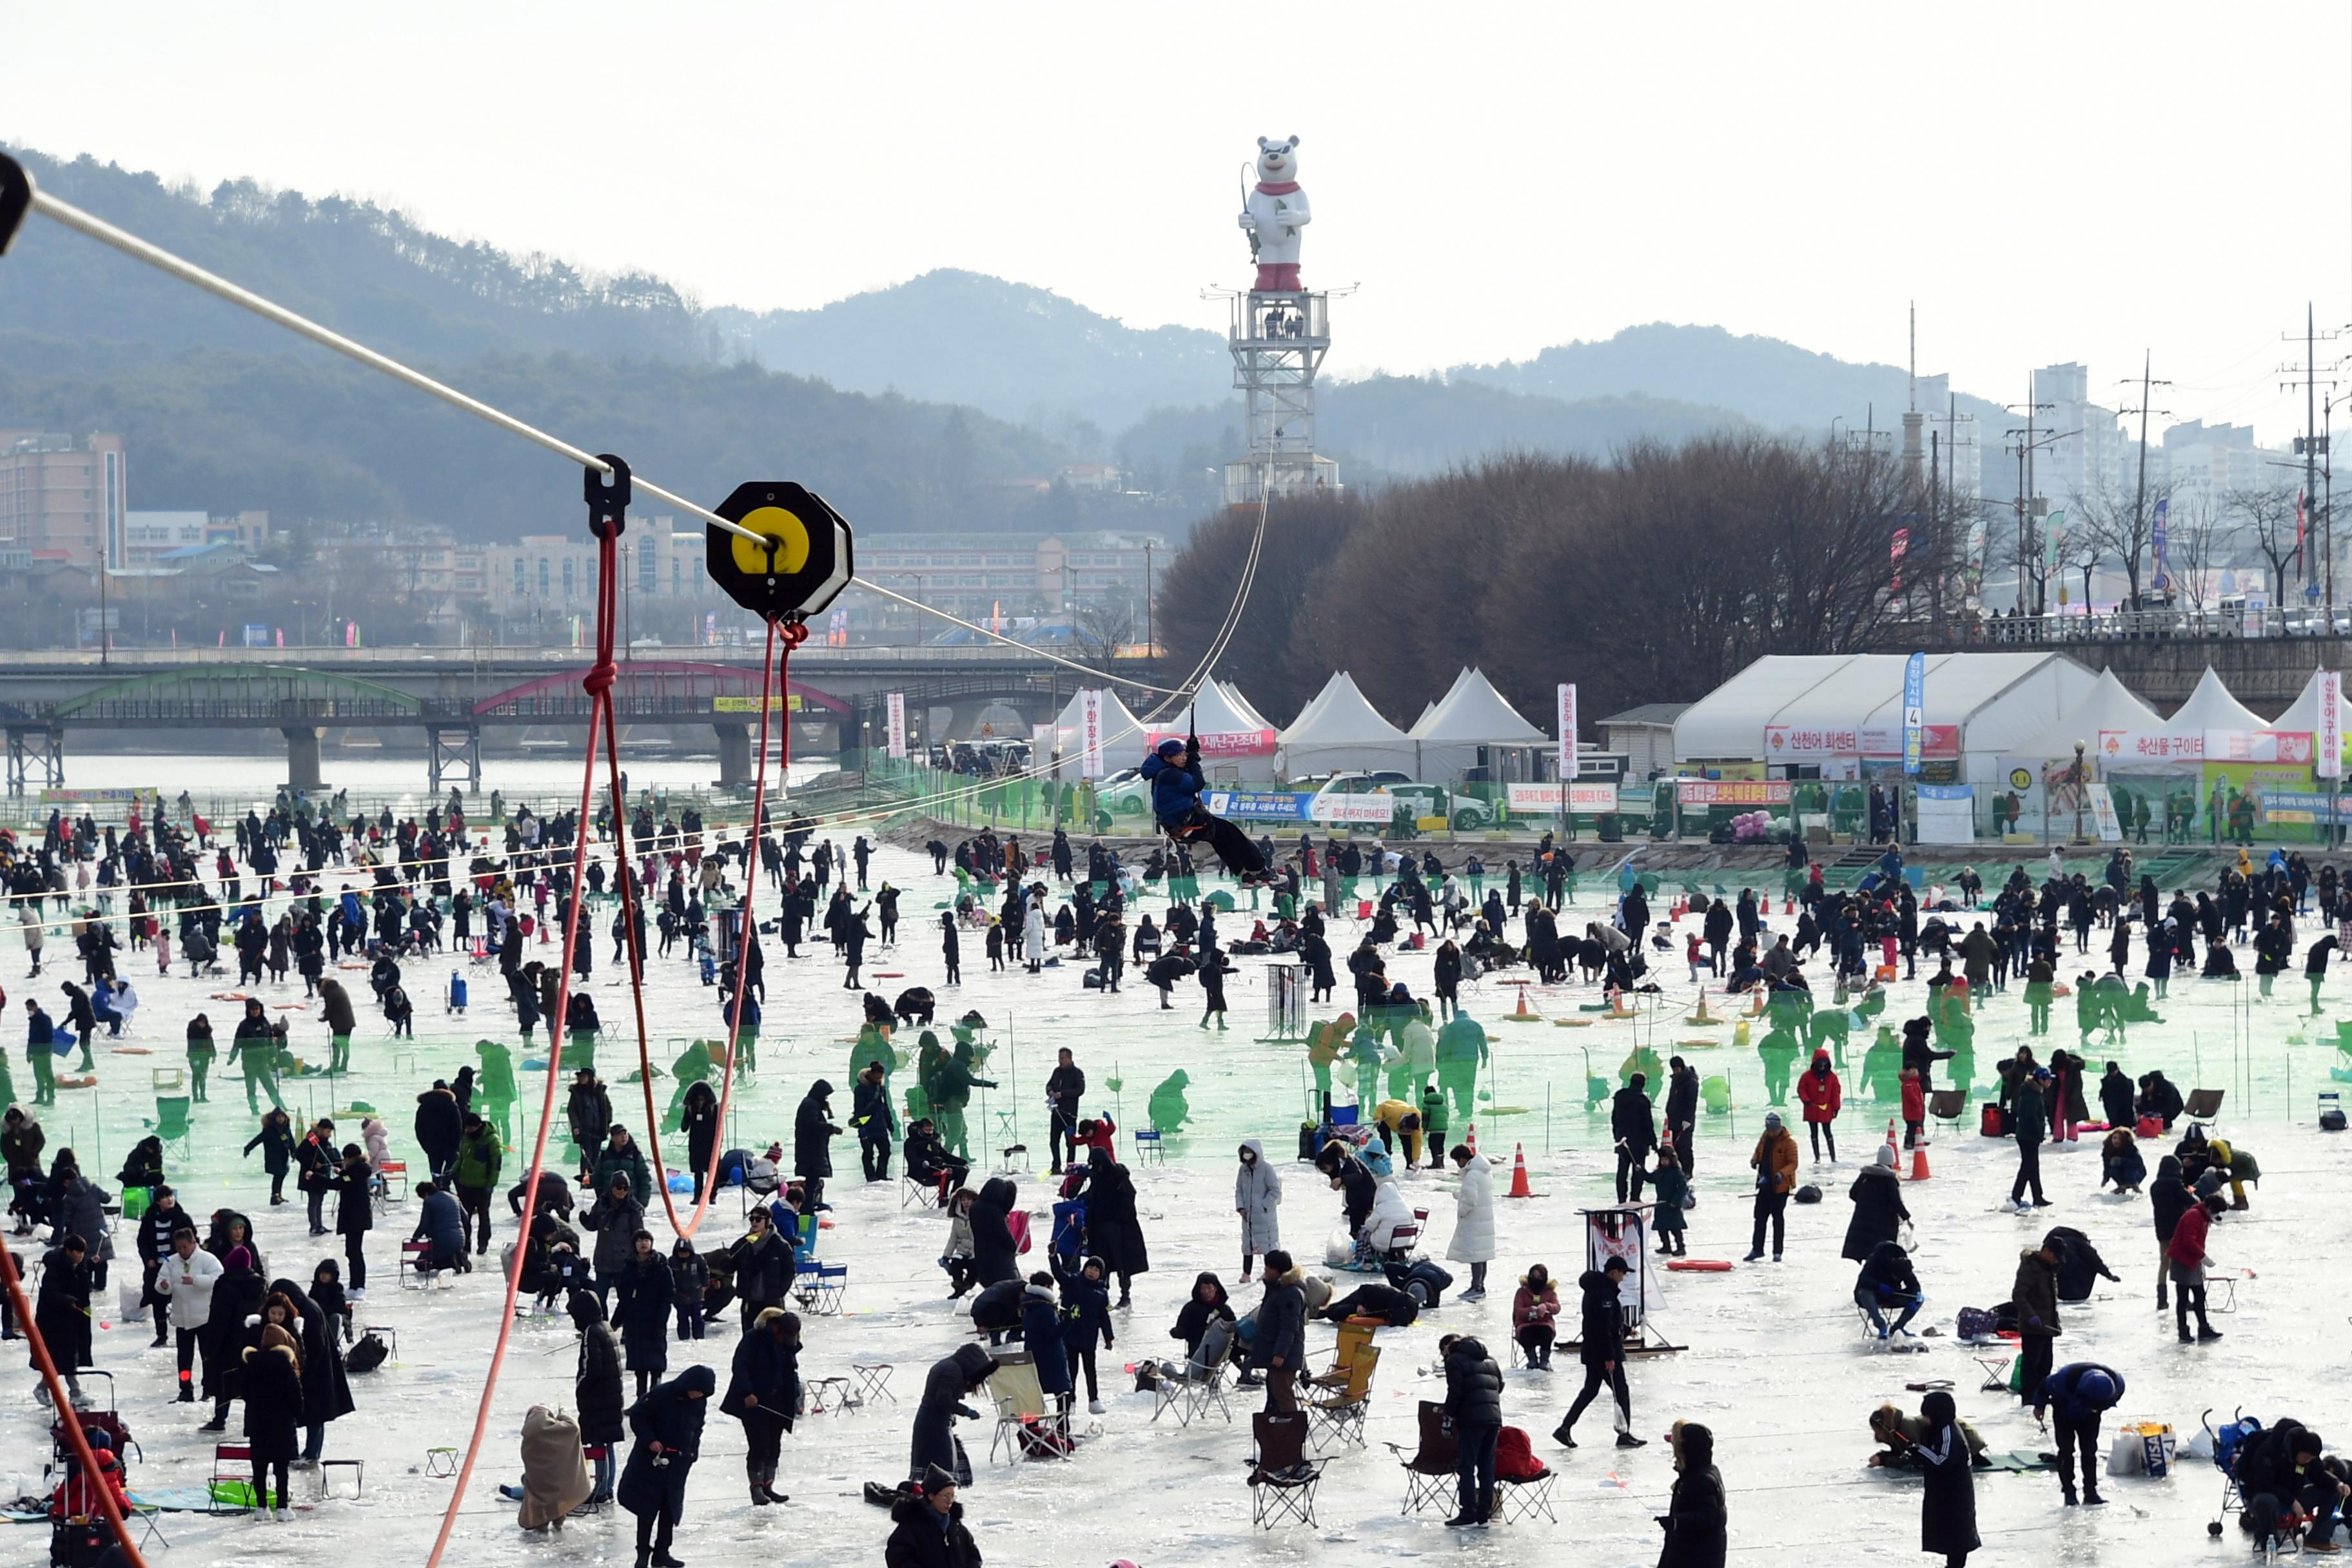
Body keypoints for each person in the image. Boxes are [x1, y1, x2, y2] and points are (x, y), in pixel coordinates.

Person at [619, 1364, 715, 1568]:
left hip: (679, 1462)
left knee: (669, 1509)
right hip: (650, 1461)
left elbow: (697, 1428)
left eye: (703, 1394)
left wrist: (691, 1453)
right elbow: (638, 1416)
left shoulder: (699, 1401)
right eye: (697, 1390)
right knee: (647, 1508)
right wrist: (650, 1440)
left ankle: (662, 1552)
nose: (698, 1395)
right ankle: (643, 1553)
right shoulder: (661, 1394)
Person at [1139, 735, 1271, 881]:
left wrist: (1192, 755)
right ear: (1167, 758)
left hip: (1178, 826)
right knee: (1233, 834)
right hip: (1188, 822)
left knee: (1219, 839)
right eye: (1179, 755)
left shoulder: (1163, 773)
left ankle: (1244, 874)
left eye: (1185, 754)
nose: (1184, 758)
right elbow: (1197, 783)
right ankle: (1260, 870)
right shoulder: (1171, 775)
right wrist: (1194, 759)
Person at [1554, 1255, 1642, 1449]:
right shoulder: (1604, 1294)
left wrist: (1626, 1329)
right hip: (1602, 1353)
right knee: (1621, 1392)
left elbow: (1605, 1321)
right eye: (1623, 1273)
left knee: (1590, 1391)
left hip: (1593, 1351)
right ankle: (1624, 1434)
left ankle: (1564, 1429)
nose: (1624, 1277)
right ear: (1614, 1272)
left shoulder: (1598, 1290)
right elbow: (1602, 1328)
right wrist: (1609, 1357)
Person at [721, 1306, 801, 1507]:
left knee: (774, 1445)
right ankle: (756, 1487)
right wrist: (747, 1392)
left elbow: (792, 1370)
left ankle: (768, 1485)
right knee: (760, 1444)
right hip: (755, 1402)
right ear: (776, 1329)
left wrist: (796, 1396)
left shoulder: (787, 1343)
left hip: (779, 1401)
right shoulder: (754, 1338)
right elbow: (740, 1365)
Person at [1901, 1389, 1980, 1567]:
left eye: (1927, 1417)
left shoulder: (1949, 1434)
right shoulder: (1943, 1431)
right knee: (1953, 1537)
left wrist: (1919, 1450)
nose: (1926, 1421)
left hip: (1954, 1497)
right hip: (1951, 1496)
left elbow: (1940, 1461)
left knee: (1957, 1538)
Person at [2034, 1362, 2124, 1507]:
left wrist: (2097, 1408)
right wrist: (2039, 1406)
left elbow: (2117, 1396)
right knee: (2066, 1450)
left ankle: (2091, 1492)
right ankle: (2069, 1492)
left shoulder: (2117, 1382)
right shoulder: (2063, 1380)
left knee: (2089, 1451)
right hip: (2064, 1414)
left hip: (2090, 1417)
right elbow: (2043, 1387)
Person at [242, 1322, 307, 1522]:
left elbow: (244, 1393)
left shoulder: (251, 1364)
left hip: (257, 1423)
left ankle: (261, 1508)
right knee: (281, 1469)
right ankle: (282, 1507)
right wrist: (296, 1413)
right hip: (281, 1425)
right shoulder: (285, 1366)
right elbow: (296, 1398)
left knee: (259, 1467)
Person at [1439, 1331, 1504, 1528]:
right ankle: (1484, 1515)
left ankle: (1468, 1512)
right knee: (1486, 1468)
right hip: (1493, 1418)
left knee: (1466, 1467)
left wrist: (1448, 1417)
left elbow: (1455, 1391)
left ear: (1448, 1348)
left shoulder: (1455, 1361)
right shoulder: (1491, 1361)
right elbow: (1499, 1386)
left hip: (1471, 1420)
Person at [155, 1224, 220, 1403]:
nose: (182, 1251)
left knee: (207, 1355)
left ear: (193, 1243)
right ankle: (185, 1390)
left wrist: (195, 1281)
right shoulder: (171, 1262)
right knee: (184, 1359)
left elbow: (218, 1279)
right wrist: (163, 1286)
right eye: (178, 1248)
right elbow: (160, 1282)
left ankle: (208, 1388)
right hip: (182, 1318)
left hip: (204, 1317)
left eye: (185, 1246)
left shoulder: (208, 1260)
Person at [1077, 1146, 1148, 1306]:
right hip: (1099, 1227)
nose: (1098, 1168)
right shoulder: (1097, 1176)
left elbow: (1129, 1197)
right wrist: (1087, 1223)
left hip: (1119, 1229)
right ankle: (1102, 1295)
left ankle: (1125, 1296)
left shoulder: (1119, 1176)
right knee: (1102, 1263)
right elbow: (1093, 1201)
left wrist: (1120, 1219)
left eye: (1099, 1165)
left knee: (1122, 1263)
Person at [572, 1291, 625, 1505]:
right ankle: (607, 1487)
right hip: (611, 1396)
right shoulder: (606, 1328)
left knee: (599, 1444)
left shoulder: (591, 1333)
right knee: (607, 1444)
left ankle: (602, 1488)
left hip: (599, 1399)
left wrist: (580, 1388)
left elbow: (591, 1367)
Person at [1658, 1420, 1728, 1568]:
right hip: (1689, 1552)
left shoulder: (1700, 1480)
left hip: (1697, 1557)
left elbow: (1708, 1516)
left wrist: (1677, 1522)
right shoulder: (1698, 1472)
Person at [614, 1230, 676, 1398]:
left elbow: (667, 1297)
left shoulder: (662, 1267)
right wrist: (614, 1323)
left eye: (647, 1239)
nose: (643, 1243)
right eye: (640, 1240)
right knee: (639, 1365)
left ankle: (656, 1397)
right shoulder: (629, 1268)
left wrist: (661, 1323)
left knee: (655, 1363)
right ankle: (641, 1398)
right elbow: (624, 1299)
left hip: (654, 1320)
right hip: (635, 1322)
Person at [885, 1466, 982, 1568]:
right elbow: (898, 1558)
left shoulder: (955, 1525)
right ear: (931, 1496)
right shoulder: (912, 1524)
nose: (950, 1501)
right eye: (945, 1496)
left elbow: (973, 1555)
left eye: (952, 1496)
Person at [1251, 1250, 1307, 1414]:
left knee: (1283, 1395)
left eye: (1267, 1267)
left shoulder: (1290, 1293)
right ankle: (1275, 1431)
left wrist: (1281, 1354)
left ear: (1276, 1270)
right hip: (1275, 1351)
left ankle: (1291, 1431)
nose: (1265, 1271)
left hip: (1285, 1356)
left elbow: (1289, 1327)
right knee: (1275, 1394)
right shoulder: (1279, 1289)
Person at [2167, 1190, 2225, 1344]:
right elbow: (2188, 1241)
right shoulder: (2194, 1215)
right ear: (2209, 1207)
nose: (2215, 1215)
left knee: (2199, 1296)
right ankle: (2183, 1331)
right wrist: (2203, 1257)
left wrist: (2201, 1261)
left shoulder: (2203, 1217)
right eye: (2215, 1211)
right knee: (2183, 1298)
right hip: (2182, 1261)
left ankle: (2204, 1328)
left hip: (2193, 1261)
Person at [2010, 1237, 2062, 1406]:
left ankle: (2041, 1395)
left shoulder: (2049, 1269)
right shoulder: (2030, 1268)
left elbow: (2051, 1300)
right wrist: (2031, 1315)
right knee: (2032, 1365)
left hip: (2047, 1326)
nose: (2056, 1260)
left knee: (2046, 1364)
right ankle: (2029, 1398)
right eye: (2055, 1255)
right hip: (2032, 1327)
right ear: (2046, 1250)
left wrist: (2055, 1324)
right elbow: (2019, 1295)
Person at [1841, 1144, 1911, 1262]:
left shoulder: (1865, 1176)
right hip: (1883, 1223)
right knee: (1881, 1254)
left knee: (1867, 1252)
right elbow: (1895, 1202)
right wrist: (1906, 1216)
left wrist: (1866, 1203)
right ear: (1891, 1162)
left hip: (1863, 1221)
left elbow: (1853, 1194)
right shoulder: (1889, 1180)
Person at [1745, 1112, 1799, 1262]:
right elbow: (1758, 1152)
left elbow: (1793, 1163)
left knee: (1778, 1219)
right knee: (1759, 1218)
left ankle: (1777, 1252)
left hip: (1779, 1188)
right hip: (1764, 1185)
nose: (1771, 1133)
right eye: (1769, 1130)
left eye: (1773, 1131)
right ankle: (1757, 1249)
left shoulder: (1789, 1142)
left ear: (1779, 1128)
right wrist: (1754, 1161)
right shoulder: (1765, 1138)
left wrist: (1782, 1174)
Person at [1446, 1142, 1494, 1300]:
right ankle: (1480, 1285)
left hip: (1475, 1220)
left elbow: (1471, 1200)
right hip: (1484, 1218)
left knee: (1475, 1255)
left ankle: (1476, 1287)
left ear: (1462, 1159)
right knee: (1482, 1255)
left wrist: (1461, 1212)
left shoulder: (1472, 1174)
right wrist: (1460, 1194)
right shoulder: (1484, 1172)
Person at [1854, 1239, 1923, 1338]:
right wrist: (1879, 1285)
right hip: (1872, 1295)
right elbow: (1863, 1281)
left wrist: (1917, 1294)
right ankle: (1880, 1325)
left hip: (1891, 1295)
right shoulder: (1875, 1261)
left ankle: (1898, 1327)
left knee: (1919, 1299)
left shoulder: (1904, 1264)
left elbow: (1914, 1285)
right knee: (1865, 1293)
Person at [1234, 1138, 1280, 1283]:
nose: (1247, 1154)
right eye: (1245, 1151)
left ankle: (1268, 1272)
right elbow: (1239, 1190)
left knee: (1267, 1245)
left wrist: (1263, 1205)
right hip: (1247, 1216)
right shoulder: (1243, 1170)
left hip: (1264, 1217)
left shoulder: (1267, 1169)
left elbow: (1275, 1190)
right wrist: (1241, 1207)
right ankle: (1246, 1274)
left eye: (1249, 1151)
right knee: (1247, 1246)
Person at [1611, 1072, 1658, 1204]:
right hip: (1640, 1142)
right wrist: (1653, 1143)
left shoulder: (1620, 1096)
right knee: (1638, 1171)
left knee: (1622, 1171)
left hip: (1623, 1140)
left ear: (1630, 1081)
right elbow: (1648, 1124)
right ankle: (1635, 1198)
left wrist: (1616, 1136)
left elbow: (1614, 1119)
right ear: (1644, 1084)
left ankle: (1621, 1199)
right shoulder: (1643, 1100)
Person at [2009, 1066, 2051, 1210]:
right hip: (2028, 1136)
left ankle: (2037, 1196)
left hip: (2029, 1135)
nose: (2050, 1082)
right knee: (2027, 1167)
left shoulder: (2034, 1092)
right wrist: (2040, 1132)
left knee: (2033, 1167)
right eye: (2048, 1079)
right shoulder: (2032, 1095)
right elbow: (2031, 1118)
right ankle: (2016, 1196)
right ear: (2041, 1080)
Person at [1511, 1263, 1560, 1368]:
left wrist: (1546, 1307)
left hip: (1544, 1323)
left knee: (1546, 1332)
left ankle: (1544, 1360)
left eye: (1539, 1277)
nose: (1535, 1279)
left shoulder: (1550, 1292)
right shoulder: (1522, 1292)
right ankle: (1532, 1359)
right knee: (1526, 1333)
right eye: (1533, 1276)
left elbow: (1557, 1308)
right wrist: (1530, 1310)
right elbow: (1518, 1311)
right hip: (1525, 1323)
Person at [1045, 1048, 1084, 1175]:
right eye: (1059, 1058)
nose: (1060, 1061)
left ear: (1069, 1058)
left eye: (1062, 1058)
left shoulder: (1077, 1073)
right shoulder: (1057, 1072)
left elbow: (1080, 1090)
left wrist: (1063, 1094)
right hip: (1056, 1112)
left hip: (1070, 1114)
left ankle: (1070, 1166)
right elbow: (1049, 1085)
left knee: (1071, 1142)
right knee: (1053, 1141)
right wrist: (1050, 1092)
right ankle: (1056, 1166)